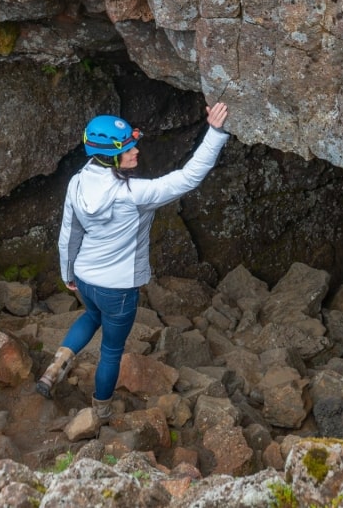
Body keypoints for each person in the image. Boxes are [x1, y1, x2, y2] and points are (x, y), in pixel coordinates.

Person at [36, 102, 230, 421]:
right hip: (119, 289)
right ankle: (100, 412)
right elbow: (188, 178)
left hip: (85, 277)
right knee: (111, 351)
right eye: (127, 148)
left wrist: (67, 271)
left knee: (91, 315)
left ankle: (55, 368)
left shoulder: (77, 182)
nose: (136, 151)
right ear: (110, 156)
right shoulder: (133, 194)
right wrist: (215, 132)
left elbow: (68, 233)